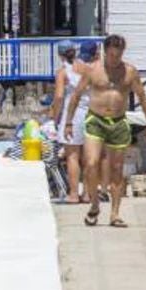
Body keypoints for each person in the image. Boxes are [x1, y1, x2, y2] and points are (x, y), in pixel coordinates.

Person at [65, 34, 146, 227]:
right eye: (112, 55)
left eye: (118, 55)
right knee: (91, 163)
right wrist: (68, 122)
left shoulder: (129, 72)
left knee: (117, 169)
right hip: (95, 120)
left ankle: (115, 214)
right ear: (105, 52)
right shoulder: (93, 70)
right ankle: (94, 204)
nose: (115, 60)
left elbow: (142, 98)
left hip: (118, 122)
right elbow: (75, 96)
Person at [51, 39, 90, 202]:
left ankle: (74, 194)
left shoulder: (63, 72)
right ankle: (88, 194)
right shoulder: (87, 69)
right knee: (89, 156)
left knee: (72, 156)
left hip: (72, 114)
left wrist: (54, 115)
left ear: (60, 55)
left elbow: (59, 96)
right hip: (91, 112)